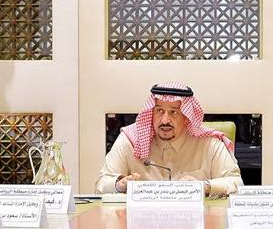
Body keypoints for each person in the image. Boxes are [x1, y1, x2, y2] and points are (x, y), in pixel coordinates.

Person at [94, 84, 243, 197]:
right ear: (151, 113)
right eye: (159, 111)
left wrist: (205, 186)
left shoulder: (209, 143)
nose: (165, 120)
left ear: (186, 117)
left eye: (174, 112)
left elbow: (236, 184)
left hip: (195, 224)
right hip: (143, 225)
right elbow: (101, 184)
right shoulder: (131, 139)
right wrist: (120, 185)